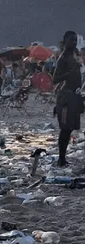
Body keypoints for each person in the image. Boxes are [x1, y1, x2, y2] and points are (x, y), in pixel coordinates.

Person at [53, 31, 84, 167]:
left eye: (75, 40)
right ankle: (61, 159)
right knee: (65, 129)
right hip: (66, 97)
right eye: (72, 40)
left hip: (75, 95)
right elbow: (55, 79)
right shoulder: (63, 58)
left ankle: (63, 158)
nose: (74, 43)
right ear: (65, 41)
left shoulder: (74, 55)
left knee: (71, 128)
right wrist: (70, 73)